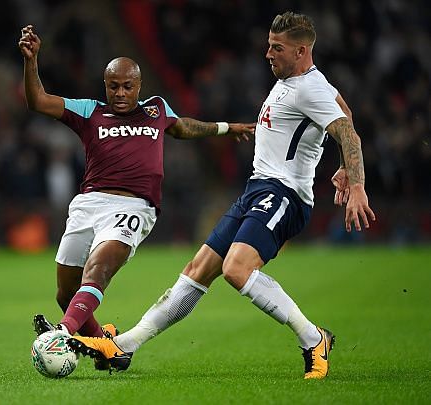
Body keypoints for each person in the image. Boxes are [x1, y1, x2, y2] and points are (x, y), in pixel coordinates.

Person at [68, 11, 376, 380]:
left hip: (284, 195)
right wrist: (342, 162)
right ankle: (124, 347)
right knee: (196, 271)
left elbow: (349, 133)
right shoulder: (298, 81)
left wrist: (356, 183)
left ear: (301, 51)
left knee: (236, 269)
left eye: (277, 48)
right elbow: (345, 113)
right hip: (257, 189)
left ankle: (314, 339)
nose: (268, 54)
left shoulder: (311, 88)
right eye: (268, 45)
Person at [17, 25, 256, 368]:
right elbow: (37, 101)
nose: (120, 93)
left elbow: (184, 127)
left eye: (127, 86)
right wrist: (32, 61)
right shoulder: (89, 111)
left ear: (139, 86)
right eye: (113, 86)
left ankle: (63, 334)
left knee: (98, 270)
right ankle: (107, 348)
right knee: (66, 292)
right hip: (88, 205)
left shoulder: (156, 110)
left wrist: (225, 127)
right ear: (105, 85)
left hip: (133, 207)